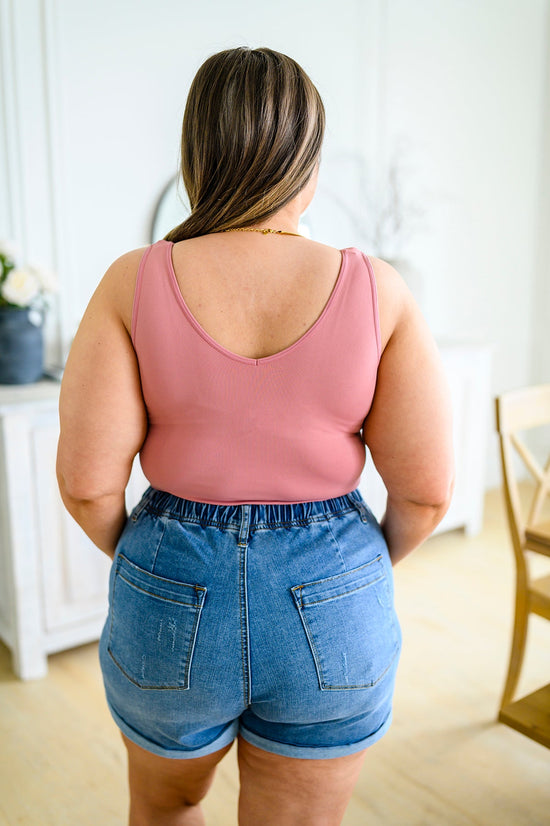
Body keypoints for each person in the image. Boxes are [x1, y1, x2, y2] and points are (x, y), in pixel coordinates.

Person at [57, 46, 454, 826]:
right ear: (308, 166)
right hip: (333, 596)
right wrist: (353, 568)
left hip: (169, 589)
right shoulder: (378, 288)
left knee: (166, 809)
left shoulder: (132, 279)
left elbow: (86, 483)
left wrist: (156, 563)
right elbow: (428, 491)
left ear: (195, 160)